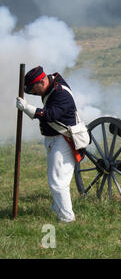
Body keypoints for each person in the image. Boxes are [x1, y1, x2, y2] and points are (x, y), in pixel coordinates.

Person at [16, 66, 80, 223]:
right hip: (55, 139)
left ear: (42, 82)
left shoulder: (60, 93)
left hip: (63, 140)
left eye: (33, 88)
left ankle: (66, 218)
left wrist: (27, 108)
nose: (34, 92)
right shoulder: (51, 86)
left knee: (57, 182)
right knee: (59, 180)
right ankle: (58, 207)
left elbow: (51, 115)